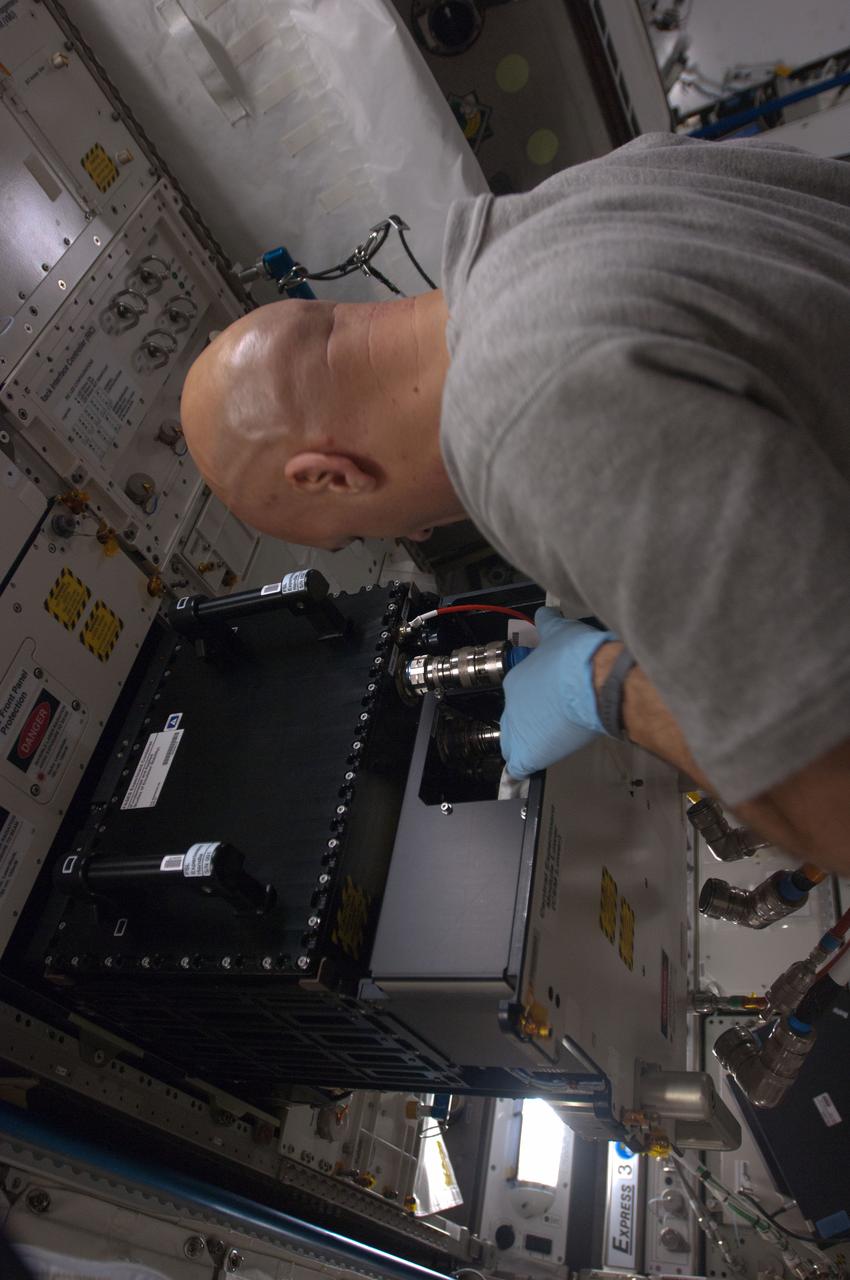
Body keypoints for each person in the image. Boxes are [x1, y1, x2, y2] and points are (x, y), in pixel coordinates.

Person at [181, 133, 850, 873]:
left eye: (355, 534)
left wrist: (605, 687)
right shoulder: (573, 203)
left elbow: (833, 799)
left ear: (330, 476)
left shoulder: (522, 421)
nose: (416, 531)